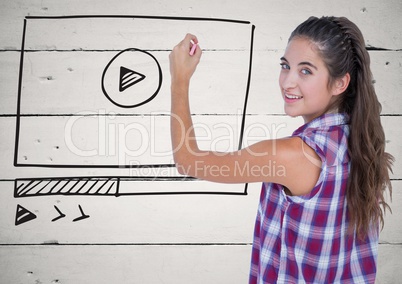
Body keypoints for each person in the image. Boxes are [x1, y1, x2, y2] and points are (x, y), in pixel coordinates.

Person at [169, 16, 393, 283]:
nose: (288, 82)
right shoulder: (362, 142)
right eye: (286, 66)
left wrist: (180, 79)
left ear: (339, 84)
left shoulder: (294, 155)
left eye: (306, 71)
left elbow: (188, 161)